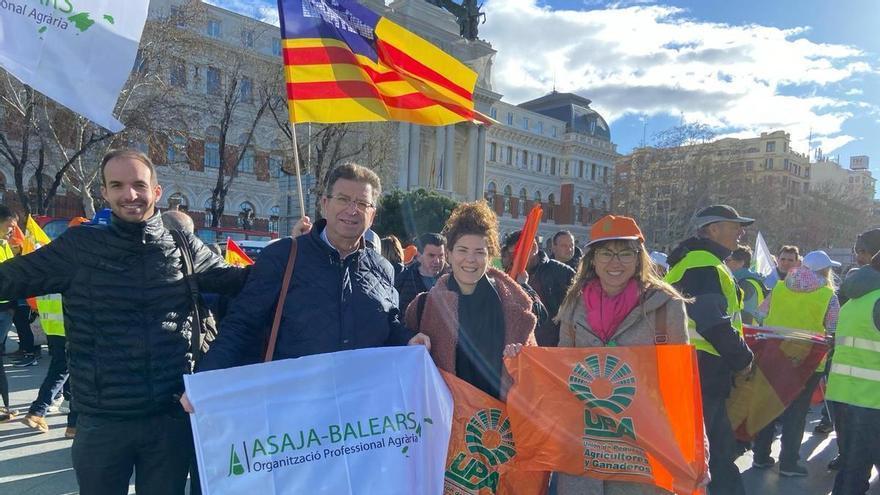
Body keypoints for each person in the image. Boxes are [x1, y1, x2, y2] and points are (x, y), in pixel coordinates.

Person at [0, 149, 247, 495]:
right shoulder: (78, 247)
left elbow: (245, 283)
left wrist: (299, 250)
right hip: (102, 423)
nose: (129, 195)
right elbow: (10, 279)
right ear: (104, 192)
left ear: (157, 192)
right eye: (117, 185)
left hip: (169, 421)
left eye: (139, 185)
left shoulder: (183, 247)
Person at [193, 163, 428, 375]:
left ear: (372, 214)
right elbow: (242, 324)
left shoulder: (383, 268)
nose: (352, 210)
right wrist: (206, 381)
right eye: (343, 199)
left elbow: (389, 324)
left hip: (358, 409)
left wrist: (409, 340)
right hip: (295, 406)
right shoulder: (283, 256)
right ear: (325, 204)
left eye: (363, 203)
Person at [549, 214, 690, 494]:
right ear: (592, 259)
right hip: (584, 450)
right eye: (606, 253)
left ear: (639, 258)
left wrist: (697, 453)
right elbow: (561, 374)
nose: (615, 262)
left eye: (625, 253)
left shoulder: (667, 307)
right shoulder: (574, 306)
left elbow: (682, 387)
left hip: (642, 454)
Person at [404, 201, 536, 400]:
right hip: (447, 424)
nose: (470, 259)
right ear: (449, 254)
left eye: (479, 252)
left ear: (490, 256)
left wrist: (521, 360)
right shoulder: (422, 307)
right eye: (462, 250)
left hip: (501, 425)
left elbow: (534, 377)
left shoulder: (515, 306)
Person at [665, 204, 754, 495]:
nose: (741, 232)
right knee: (715, 455)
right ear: (713, 229)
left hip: (693, 369)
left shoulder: (693, 261)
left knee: (712, 453)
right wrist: (743, 359)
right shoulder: (704, 263)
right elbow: (712, 322)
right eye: (735, 225)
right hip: (702, 370)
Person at [750, 251, 840, 476]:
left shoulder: (779, 287)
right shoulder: (828, 295)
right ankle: (789, 463)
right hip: (807, 360)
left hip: (773, 354)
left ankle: (760, 457)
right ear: (826, 271)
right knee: (796, 413)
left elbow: (760, 315)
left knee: (769, 407)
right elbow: (832, 329)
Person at [20, 219, 90, 438]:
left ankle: (66, 413)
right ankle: (40, 411)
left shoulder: (55, 259)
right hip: (71, 327)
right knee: (70, 371)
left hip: (54, 325)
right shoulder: (78, 262)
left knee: (66, 370)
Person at [827, 248, 880, 494]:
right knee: (854, 470)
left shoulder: (856, 297)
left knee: (852, 469)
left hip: (845, 394)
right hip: (871, 400)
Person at [502, 230, 574, 346]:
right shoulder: (510, 273)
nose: (514, 259)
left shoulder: (562, 273)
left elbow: (572, 315)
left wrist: (524, 286)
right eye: (512, 255)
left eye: (518, 253)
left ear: (534, 248)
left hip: (553, 349)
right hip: (523, 348)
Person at [395, 233, 447, 314]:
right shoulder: (403, 279)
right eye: (431, 255)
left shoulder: (453, 280)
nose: (437, 261)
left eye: (441, 256)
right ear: (419, 256)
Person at [0, 206, 16, 421]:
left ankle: (4, 406)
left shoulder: (5, 245)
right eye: (10, 225)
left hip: (5, 309)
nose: (13, 229)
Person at [725, 246, 767, 325]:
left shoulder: (745, 284)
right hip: (749, 331)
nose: (724, 263)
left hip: (745, 332)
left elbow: (746, 316)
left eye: (727, 260)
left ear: (741, 263)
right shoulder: (748, 280)